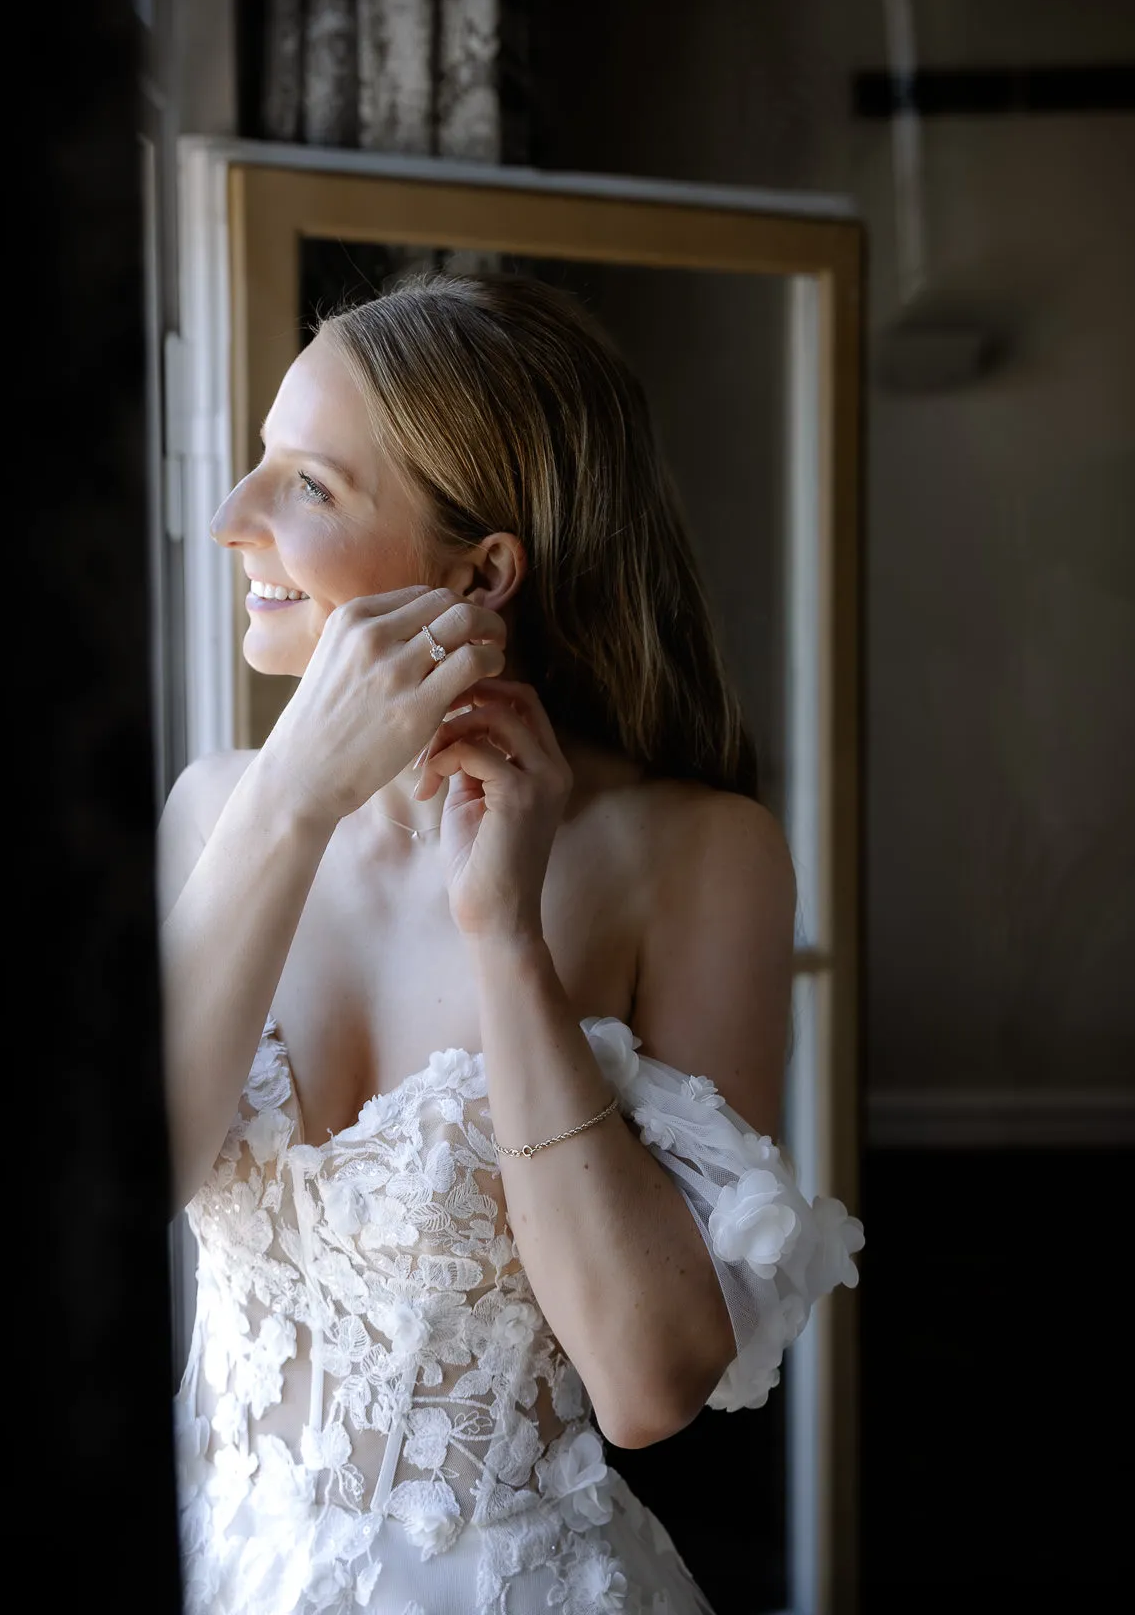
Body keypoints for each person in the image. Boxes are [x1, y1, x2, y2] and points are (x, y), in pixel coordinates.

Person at [161, 273, 864, 1615]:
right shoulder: (217, 814)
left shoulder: (696, 853)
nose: (231, 518)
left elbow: (649, 1386)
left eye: (307, 485)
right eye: (259, 461)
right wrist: (292, 800)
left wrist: (509, 941)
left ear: (480, 573)